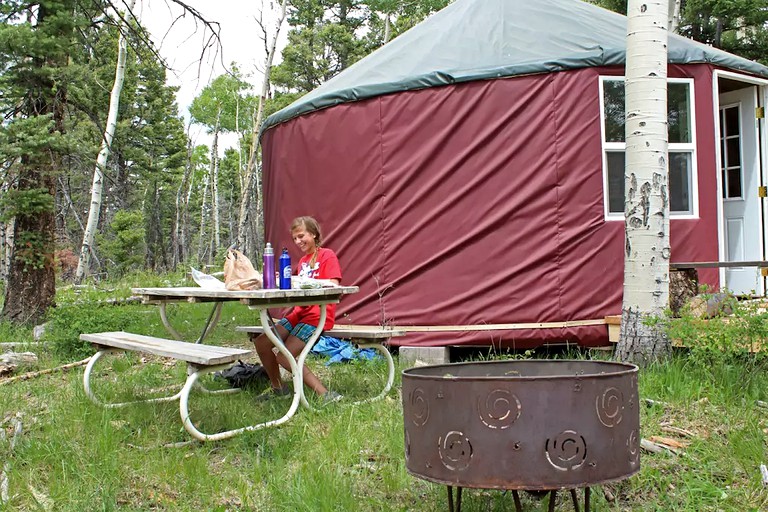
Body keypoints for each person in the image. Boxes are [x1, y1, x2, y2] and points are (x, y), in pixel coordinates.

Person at [252, 216, 343, 403]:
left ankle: (325, 395)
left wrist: (306, 282)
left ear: (314, 234)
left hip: (317, 315)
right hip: (299, 313)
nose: (298, 241)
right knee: (262, 343)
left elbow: (334, 284)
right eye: (295, 238)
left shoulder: (327, 255)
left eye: (301, 236)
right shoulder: (302, 261)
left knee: (284, 358)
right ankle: (279, 389)